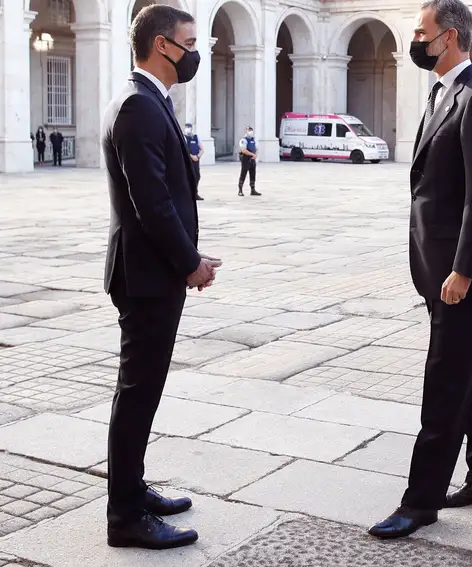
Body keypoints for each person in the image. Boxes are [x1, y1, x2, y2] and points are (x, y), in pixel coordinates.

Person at [368, 0, 472, 539]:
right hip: (438, 266)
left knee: (445, 380)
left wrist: (464, 270)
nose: (415, 40)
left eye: (421, 32)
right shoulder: (443, 93)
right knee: (471, 370)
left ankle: (420, 499)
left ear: (449, 37)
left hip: (463, 273)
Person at [101, 4, 221, 549]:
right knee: (137, 393)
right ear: (160, 45)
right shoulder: (138, 106)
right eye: (189, 42)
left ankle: (133, 488)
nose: (197, 52)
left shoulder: (149, 101)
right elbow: (152, 206)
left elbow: (167, 193)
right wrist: (189, 263)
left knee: (143, 393)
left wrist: (190, 256)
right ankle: (125, 516)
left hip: (153, 272)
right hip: (147, 277)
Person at [237, 126, 261, 196]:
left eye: (251, 130)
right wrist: (252, 154)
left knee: (253, 173)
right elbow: (243, 150)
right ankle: (240, 190)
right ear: (246, 131)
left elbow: (256, 148)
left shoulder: (253, 140)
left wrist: (255, 155)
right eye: (249, 130)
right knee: (243, 173)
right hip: (245, 158)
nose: (250, 132)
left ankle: (253, 190)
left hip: (252, 159)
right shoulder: (243, 140)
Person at [184, 123, 204, 200]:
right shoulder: (184, 137)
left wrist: (198, 156)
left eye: (189, 127)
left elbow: (202, 149)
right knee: (187, 177)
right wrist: (191, 156)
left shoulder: (196, 137)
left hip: (196, 160)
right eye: (186, 127)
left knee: (197, 176)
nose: (188, 128)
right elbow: (183, 150)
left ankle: (195, 193)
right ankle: (187, 194)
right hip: (188, 161)